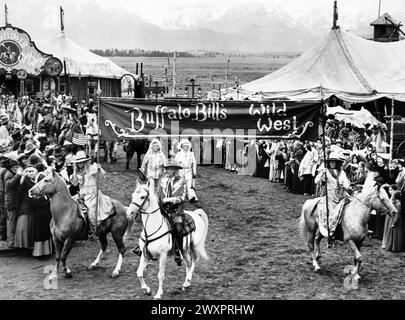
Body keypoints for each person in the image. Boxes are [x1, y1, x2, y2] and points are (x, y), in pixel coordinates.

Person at [70, 151, 114, 236]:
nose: (79, 164)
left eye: (81, 162)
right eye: (78, 163)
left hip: (92, 194)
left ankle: (94, 229)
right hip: (82, 194)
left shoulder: (92, 168)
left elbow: (104, 176)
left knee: (91, 212)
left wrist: (99, 169)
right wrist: (74, 176)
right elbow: (75, 184)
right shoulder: (77, 171)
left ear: (85, 162)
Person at [314, 151, 351, 241]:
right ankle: (330, 232)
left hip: (341, 195)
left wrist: (346, 186)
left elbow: (345, 182)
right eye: (331, 162)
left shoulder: (341, 172)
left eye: (334, 162)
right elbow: (316, 181)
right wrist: (322, 173)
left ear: (337, 163)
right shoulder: (326, 172)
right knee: (330, 214)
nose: (332, 163)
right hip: (330, 196)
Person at [156, 159, 187, 266]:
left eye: (170, 168)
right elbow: (158, 193)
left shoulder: (181, 181)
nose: (167, 170)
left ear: (175, 170)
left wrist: (169, 200)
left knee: (178, 228)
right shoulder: (162, 180)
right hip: (163, 209)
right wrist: (157, 201)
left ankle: (178, 251)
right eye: (166, 168)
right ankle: (143, 246)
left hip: (176, 210)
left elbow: (182, 197)